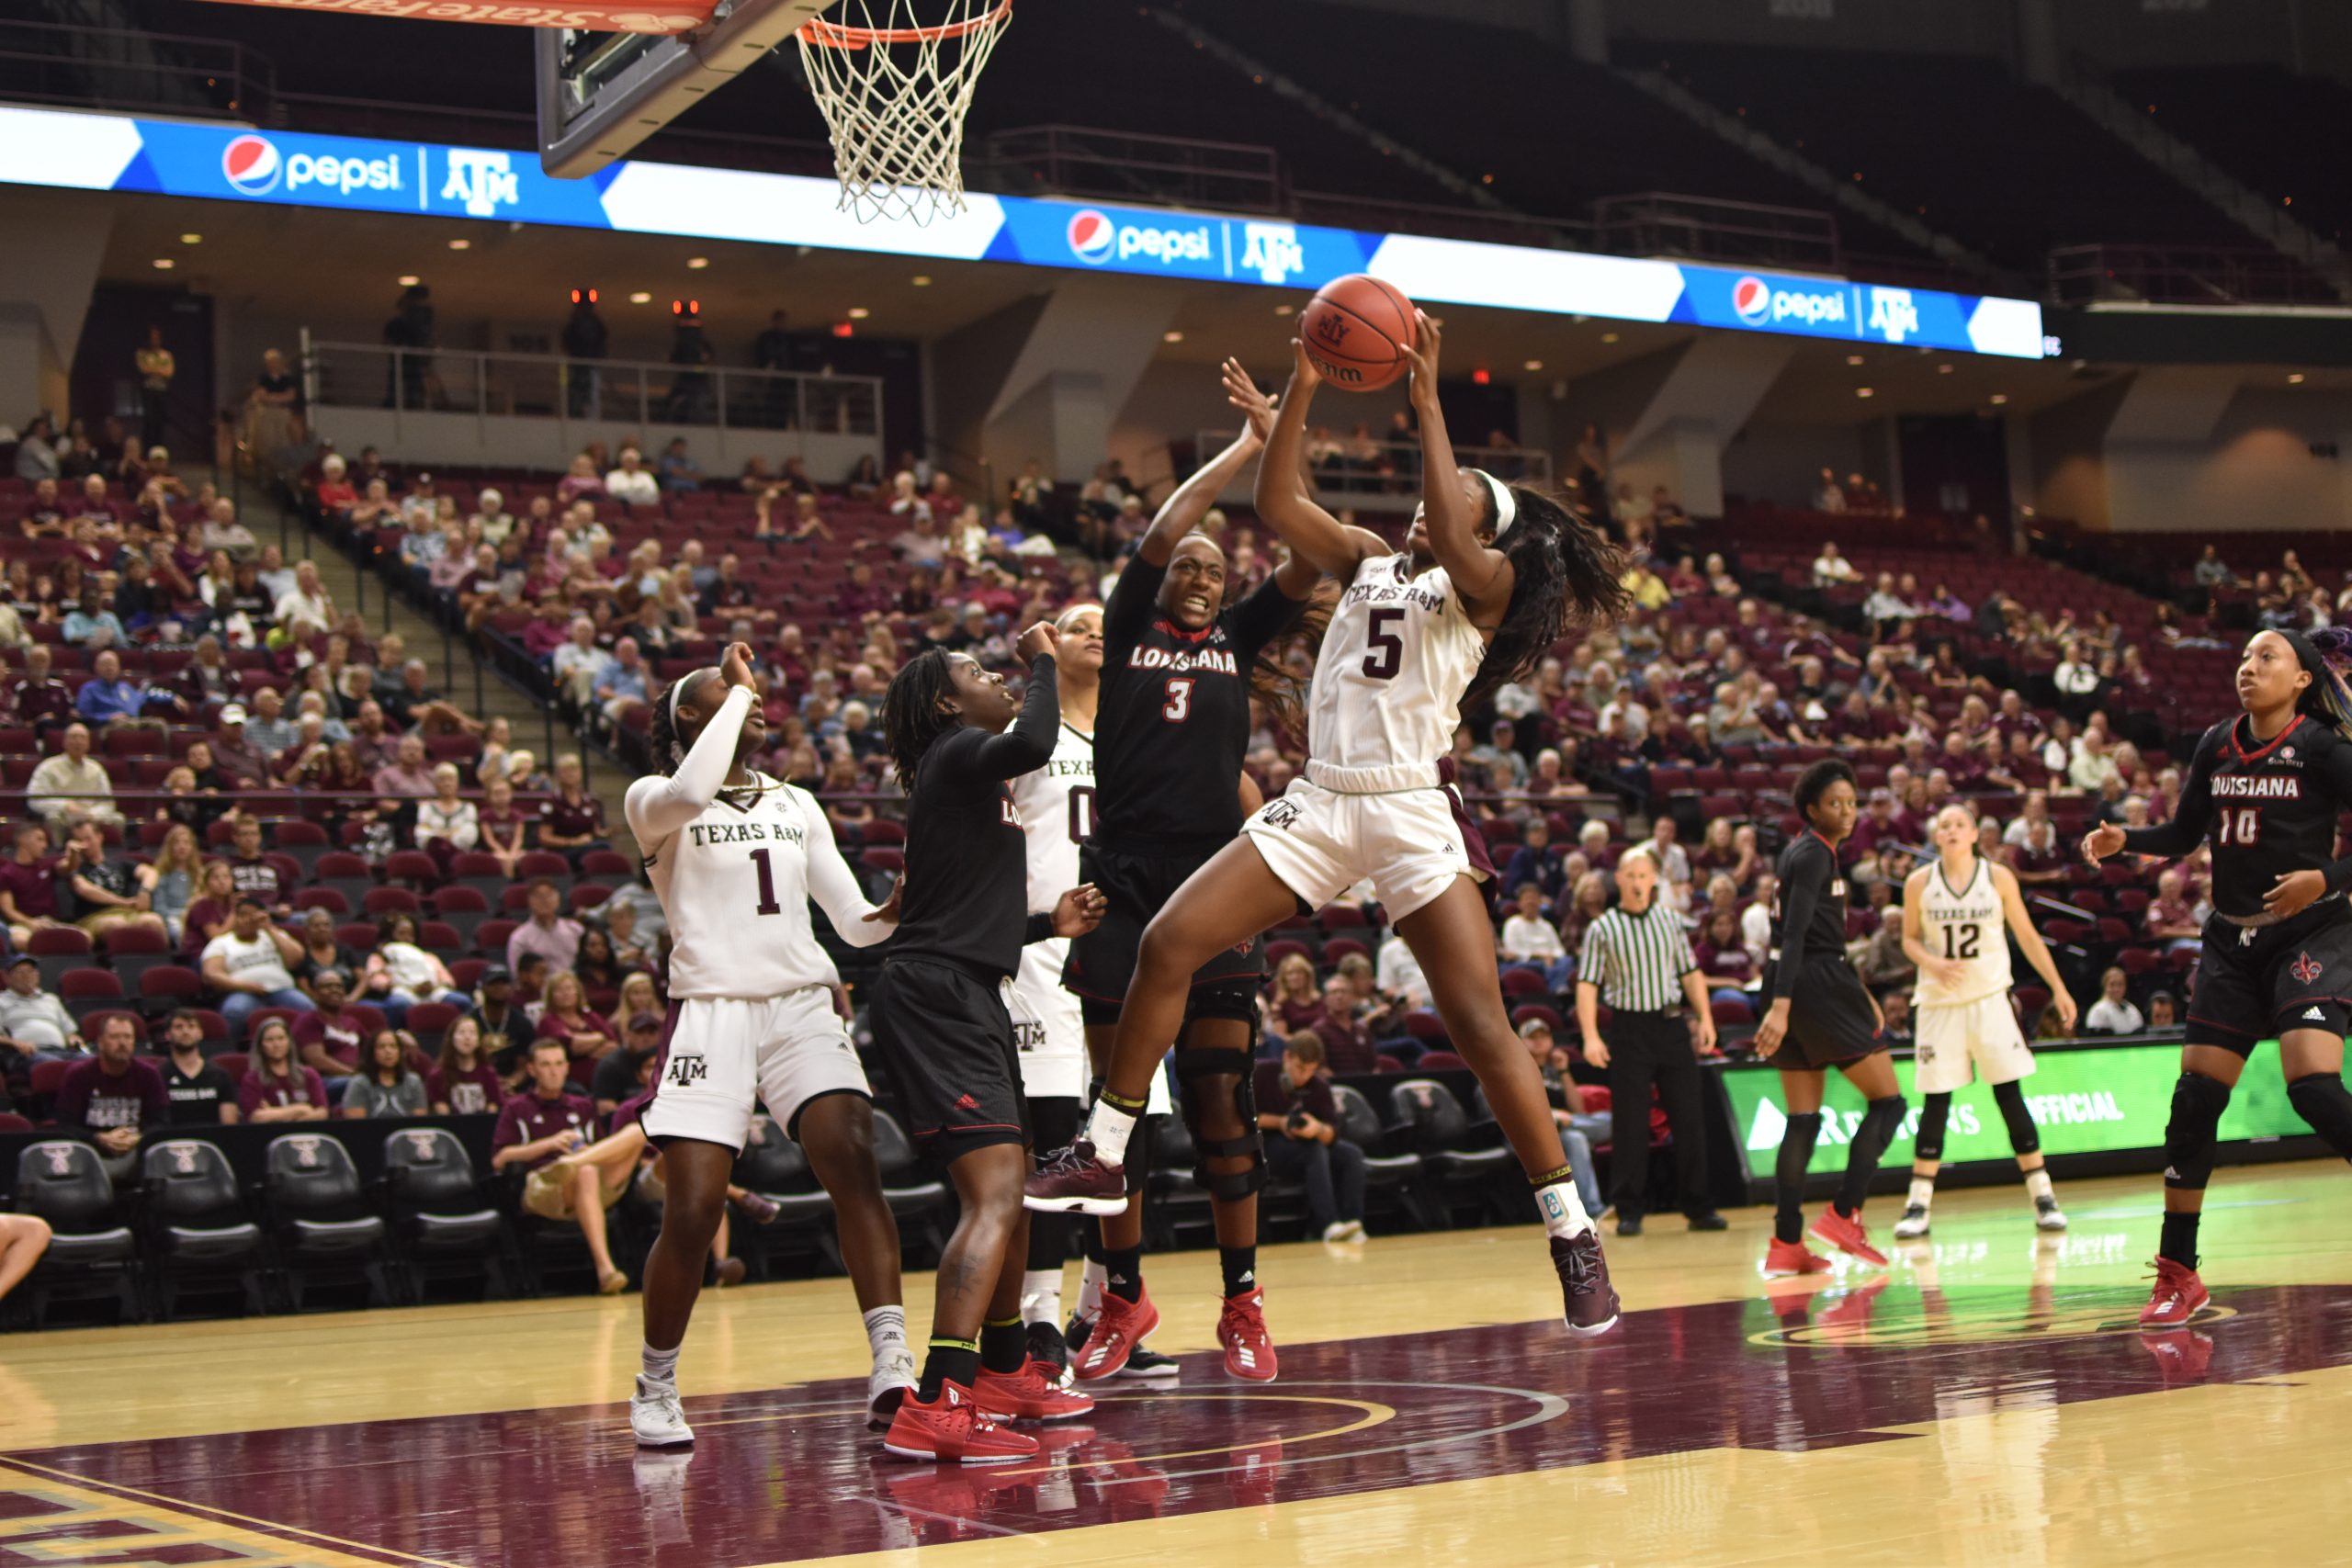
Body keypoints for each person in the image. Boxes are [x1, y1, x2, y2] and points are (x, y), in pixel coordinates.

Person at [1032, 327, 1629, 1341]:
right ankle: (1105, 1139)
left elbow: (1452, 514)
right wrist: (1303, 387)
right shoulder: (1359, 560)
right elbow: (1275, 505)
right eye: (1438, 498)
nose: (1429, 510)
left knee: (1480, 1027)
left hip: (1403, 809)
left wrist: (1432, 403)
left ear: (1488, 534)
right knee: (1169, 942)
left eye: (1462, 507)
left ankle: (1569, 1231)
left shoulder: (1481, 591)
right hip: (1321, 796)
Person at [1029, 406, 1317, 1384]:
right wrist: (1237, 447)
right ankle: (1123, 1297)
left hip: (1214, 880)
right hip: (1121, 880)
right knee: (1118, 1117)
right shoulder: (1124, 624)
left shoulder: (1240, 636)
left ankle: (1242, 1298)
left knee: (1220, 1103)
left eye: (1214, 568)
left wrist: (1289, 442)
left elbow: (1312, 557)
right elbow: (1164, 528)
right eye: (1187, 565)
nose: (1199, 574)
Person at [622, 644, 922, 1446]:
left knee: (853, 1158)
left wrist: (894, 905)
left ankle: (892, 1358)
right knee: (689, 1211)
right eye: (723, 692)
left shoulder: (797, 803)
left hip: (798, 1004)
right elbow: (693, 783)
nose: (750, 698)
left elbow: (853, 921)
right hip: (710, 1011)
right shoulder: (654, 799)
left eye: (750, 692)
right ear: (692, 715)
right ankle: (655, 1383)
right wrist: (739, 691)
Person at [872, 628, 1106, 1461]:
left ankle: (1004, 1365)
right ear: (944, 703)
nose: (996, 676)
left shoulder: (963, 780)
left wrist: (1050, 923)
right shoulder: (962, 751)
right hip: (937, 994)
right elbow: (1037, 739)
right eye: (976, 672)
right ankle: (937, 1397)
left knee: (1011, 1189)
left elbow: (966, 907)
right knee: (996, 1192)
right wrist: (1047, 656)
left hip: (966, 984)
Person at [2082, 648, 2352, 1323]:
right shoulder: (2214, 744)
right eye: (2244, 655)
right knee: (2194, 1100)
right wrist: (2128, 841)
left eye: (2268, 656)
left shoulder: (2321, 747)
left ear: (2301, 680)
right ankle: (2180, 1273)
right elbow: (2182, 831)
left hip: (2312, 932)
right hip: (2232, 940)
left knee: (2312, 1086)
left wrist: (2327, 879)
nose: (2248, 665)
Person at [1892, 803, 2079, 1240]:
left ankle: (2043, 1197)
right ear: (1936, 836)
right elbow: (1908, 940)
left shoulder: (1998, 878)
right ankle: (1917, 1205)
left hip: (1990, 1000)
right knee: (1936, 1101)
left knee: (2009, 1095)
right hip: (1939, 1004)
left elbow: (2029, 936)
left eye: (1959, 824)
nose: (1952, 830)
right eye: (1944, 825)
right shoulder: (1919, 883)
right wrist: (1931, 963)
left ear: (1975, 833)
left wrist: (2059, 987)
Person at [1754, 760, 1902, 1277]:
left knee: (1803, 1120)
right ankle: (1844, 1214)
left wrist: (1787, 997)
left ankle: (1786, 1242)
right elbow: (1795, 935)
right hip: (1810, 985)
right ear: (1812, 809)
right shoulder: (1815, 853)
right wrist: (1782, 1005)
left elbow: (1804, 938)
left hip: (1796, 982)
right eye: (1835, 802)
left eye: (1852, 801)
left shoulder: (1804, 852)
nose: (1847, 810)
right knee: (1890, 1101)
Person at [1573, 846, 1724, 1235]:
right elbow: (1588, 985)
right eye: (1631, 875)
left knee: (1689, 1116)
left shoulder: (1671, 921)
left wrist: (1705, 1017)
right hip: (1629, 1028)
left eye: (1644, 875)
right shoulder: (1602, 928)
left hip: (1671, 1024)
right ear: (1619, 879)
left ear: (1654, 879)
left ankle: (1699, 1206)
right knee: (1630, 1121)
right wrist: (1590, 1035)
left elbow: (1690, 973)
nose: (1638, 882)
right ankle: (1629, 1209)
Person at [492, 1039, 628, 1293]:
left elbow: (602, 1149)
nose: (553, 1071)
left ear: (567, 1067)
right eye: (545, 1065)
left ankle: (573, 1162)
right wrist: (548, 1144)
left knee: (633, 1134)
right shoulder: (517, 1107)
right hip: (542, 1184)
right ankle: (605, 1269)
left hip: (587, 1184)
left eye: (557, 1064)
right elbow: (500, 1158)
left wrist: (588, 1153)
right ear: (532, 1070)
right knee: (584, 1171)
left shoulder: (583, 1106)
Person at [1252, 1029, 1367, 1242]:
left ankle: (1353, 1221)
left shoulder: (1319, 1086)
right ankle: (1329, 1224)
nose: (1303, 1076)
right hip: (1267, 1145)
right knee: (1314, 1150)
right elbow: (1243, 1119)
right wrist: (1280, 1122)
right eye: (1300, 1068)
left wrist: (1318, 1129)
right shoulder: (1263, 1074)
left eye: (1310, 1071)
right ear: (1287, 1057)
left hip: (1309, 1144)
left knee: (1351, 1154)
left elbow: (1332, 1132)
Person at [56, 1015, 170, 1182]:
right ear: (100, 1042)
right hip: (90, 1153)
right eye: (115, 1037)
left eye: (127, 1037)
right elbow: (65, 1126)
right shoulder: (78, 1075)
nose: (122, 1043)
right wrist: (100, 1138)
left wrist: (138, 1138)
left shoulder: (149, 1074)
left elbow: (162, 1122)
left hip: (136, 1152)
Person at [201, 897, 313, 1038]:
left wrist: (269, 928)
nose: (246, 920)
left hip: (281, 989)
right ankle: (229, 1053)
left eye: (252, 915)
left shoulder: (274, 935)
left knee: (307, 1007)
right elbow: (211, 974)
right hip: (242, 992)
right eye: (242, 915)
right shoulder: (222, 942)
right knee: (235, 1011)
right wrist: (244, 985)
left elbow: (296, 959)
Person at [237, 1016, 329, 1122]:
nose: (276, 1045)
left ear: (289, 1042)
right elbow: (257, 1117)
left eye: (281, 1038)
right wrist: (301, 1109)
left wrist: (273, 1112)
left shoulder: (308, 1074)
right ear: (261, 1045)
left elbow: (322, 1112)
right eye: (269, 1040)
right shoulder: (252, 1079)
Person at [159, 1008, 238, 1125]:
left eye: (191, 1026)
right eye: (179, 1027)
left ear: (201, 1033)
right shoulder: (158, 1075)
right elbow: (156, 1121)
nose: (185, 1031)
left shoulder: (220, 1075)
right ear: (167, 1035)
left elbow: (229, 1125)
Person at [0, 954, 80, 1064]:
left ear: (38, 975)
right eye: (20, 972)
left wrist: (73, 1039)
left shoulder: (51, 999)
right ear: (7, 977)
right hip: (25, 1053)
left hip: (61, 1051)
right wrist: (15, 1043)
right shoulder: (1, 1000)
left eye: (31, 971)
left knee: (92, 1063)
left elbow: (69, 1032)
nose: (26, 976)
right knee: (54, 1065)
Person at [342, 1027, 428, 1118]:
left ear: (400, 1052)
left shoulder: (413, 1082)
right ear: (372, 1052)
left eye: (393, 1046)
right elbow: (355, 1125)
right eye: (381, 1047)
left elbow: (419, 1123)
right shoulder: (359, 1083)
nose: (388, 1051)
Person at [428, 1015, 503, 1114]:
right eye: (461, 1032)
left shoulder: (488, 1073)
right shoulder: (437, 1075)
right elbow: (441, 1110)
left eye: (472, 1033)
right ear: (452, 1038)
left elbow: (493, 1105)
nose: (467, 1037)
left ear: (479, 1041)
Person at [2084, 965, 2146, 1034]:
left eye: (2120, 984)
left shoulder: (2132, 1009)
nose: (2116, 989)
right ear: (2105, 986)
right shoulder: (2098, 1010)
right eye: (2112, 984)